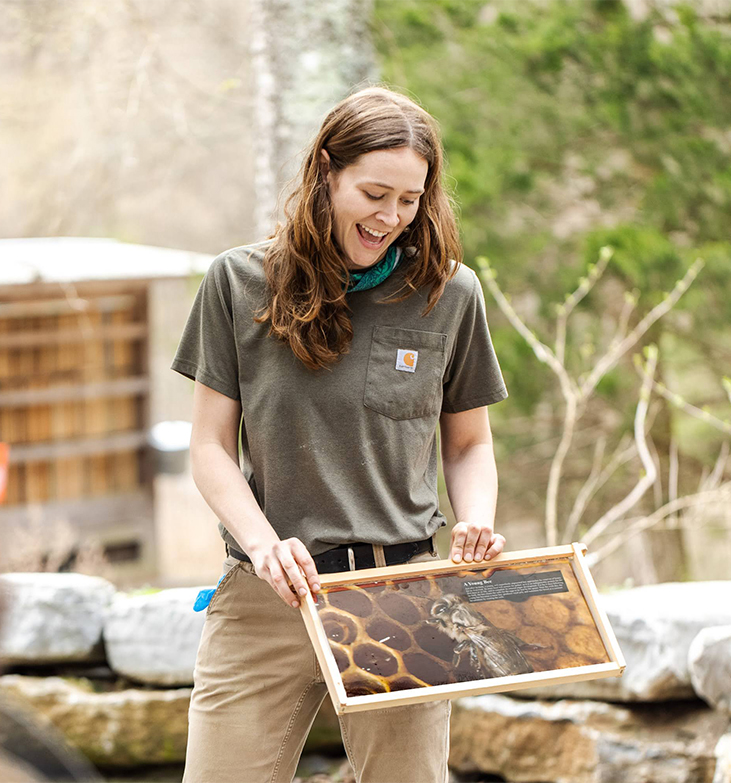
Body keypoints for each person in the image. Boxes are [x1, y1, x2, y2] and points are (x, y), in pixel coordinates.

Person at [171, 85, 508, 783]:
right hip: (266, 596)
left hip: (400, 597)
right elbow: (208, 446)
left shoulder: (450, 293)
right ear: (327, 170)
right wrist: (264, 548)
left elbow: (469, 443)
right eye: (373, 192)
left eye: (409, 200)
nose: (390, 217)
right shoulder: (237, 283)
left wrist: (476, 522)